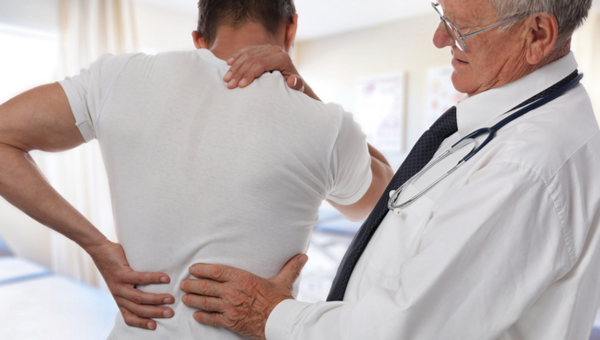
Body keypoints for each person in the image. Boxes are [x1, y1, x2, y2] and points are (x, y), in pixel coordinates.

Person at [178, 0, 600, 339]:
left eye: (458, 28)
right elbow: (396, 200)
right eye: (442, 16)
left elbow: (400, 329)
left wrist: (270, 315)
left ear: (537, 35)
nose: (438, 39)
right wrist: (303, 103)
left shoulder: (525, 167)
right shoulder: (503, 117)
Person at [0, 0, 394, 339]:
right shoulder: (325, 125)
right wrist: (303, 89)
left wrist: (97, 247)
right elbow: (386, 201)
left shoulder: (118, 79)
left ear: (198, 39)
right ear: (291, 29)